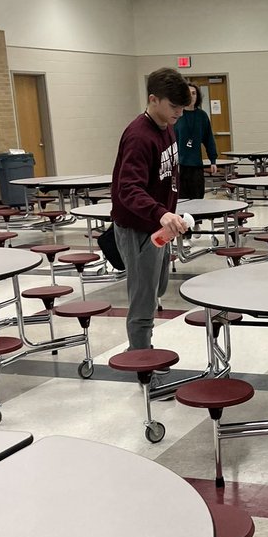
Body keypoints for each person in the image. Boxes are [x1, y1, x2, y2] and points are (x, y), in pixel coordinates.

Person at [111, 67, 190, 350]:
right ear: (153, 99)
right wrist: (161, 213)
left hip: (158, 226)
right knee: (143, 301)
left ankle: (142, 354)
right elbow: (128, 188)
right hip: (137, 226)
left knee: (158, 288)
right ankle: (142, 362)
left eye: (182, 107)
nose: (179, 112)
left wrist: (168, 213)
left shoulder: (168, 127)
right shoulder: (138, 136)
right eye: (173, 106)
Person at [176, 82, 219, 204]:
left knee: (197, 197)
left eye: (194, 93)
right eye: (189, 94)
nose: (192, 96)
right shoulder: (177, 114)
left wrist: (213, 160)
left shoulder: (202, 116)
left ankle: (197, 223)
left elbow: (208, 139)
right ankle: (183, 222)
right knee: (182, 198)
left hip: (196, 164)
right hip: (180, 165)